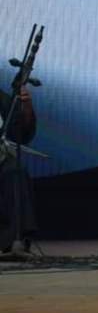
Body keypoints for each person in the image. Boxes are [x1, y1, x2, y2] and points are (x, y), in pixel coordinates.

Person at [0, 84, 37, 254]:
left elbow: (20, 135)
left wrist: (26, 109)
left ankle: (15, 240)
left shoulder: (2, 99)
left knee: (15, 170)